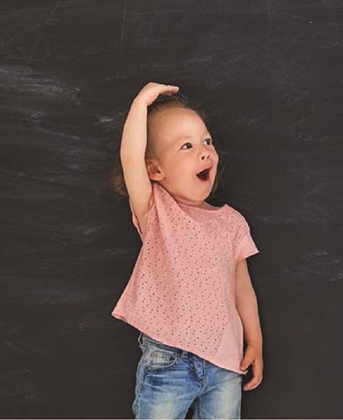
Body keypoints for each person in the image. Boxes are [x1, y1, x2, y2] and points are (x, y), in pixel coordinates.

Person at [111, 82, 263, 419]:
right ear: (155, 170)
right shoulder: (157, 211)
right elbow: (131, 158)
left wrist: (255, 342)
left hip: (225, 362)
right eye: (187, 146)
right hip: (169, 360)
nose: (204, 152)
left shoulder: (232, 223)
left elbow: (243, 290)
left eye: (207, 141)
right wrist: (141, 102)